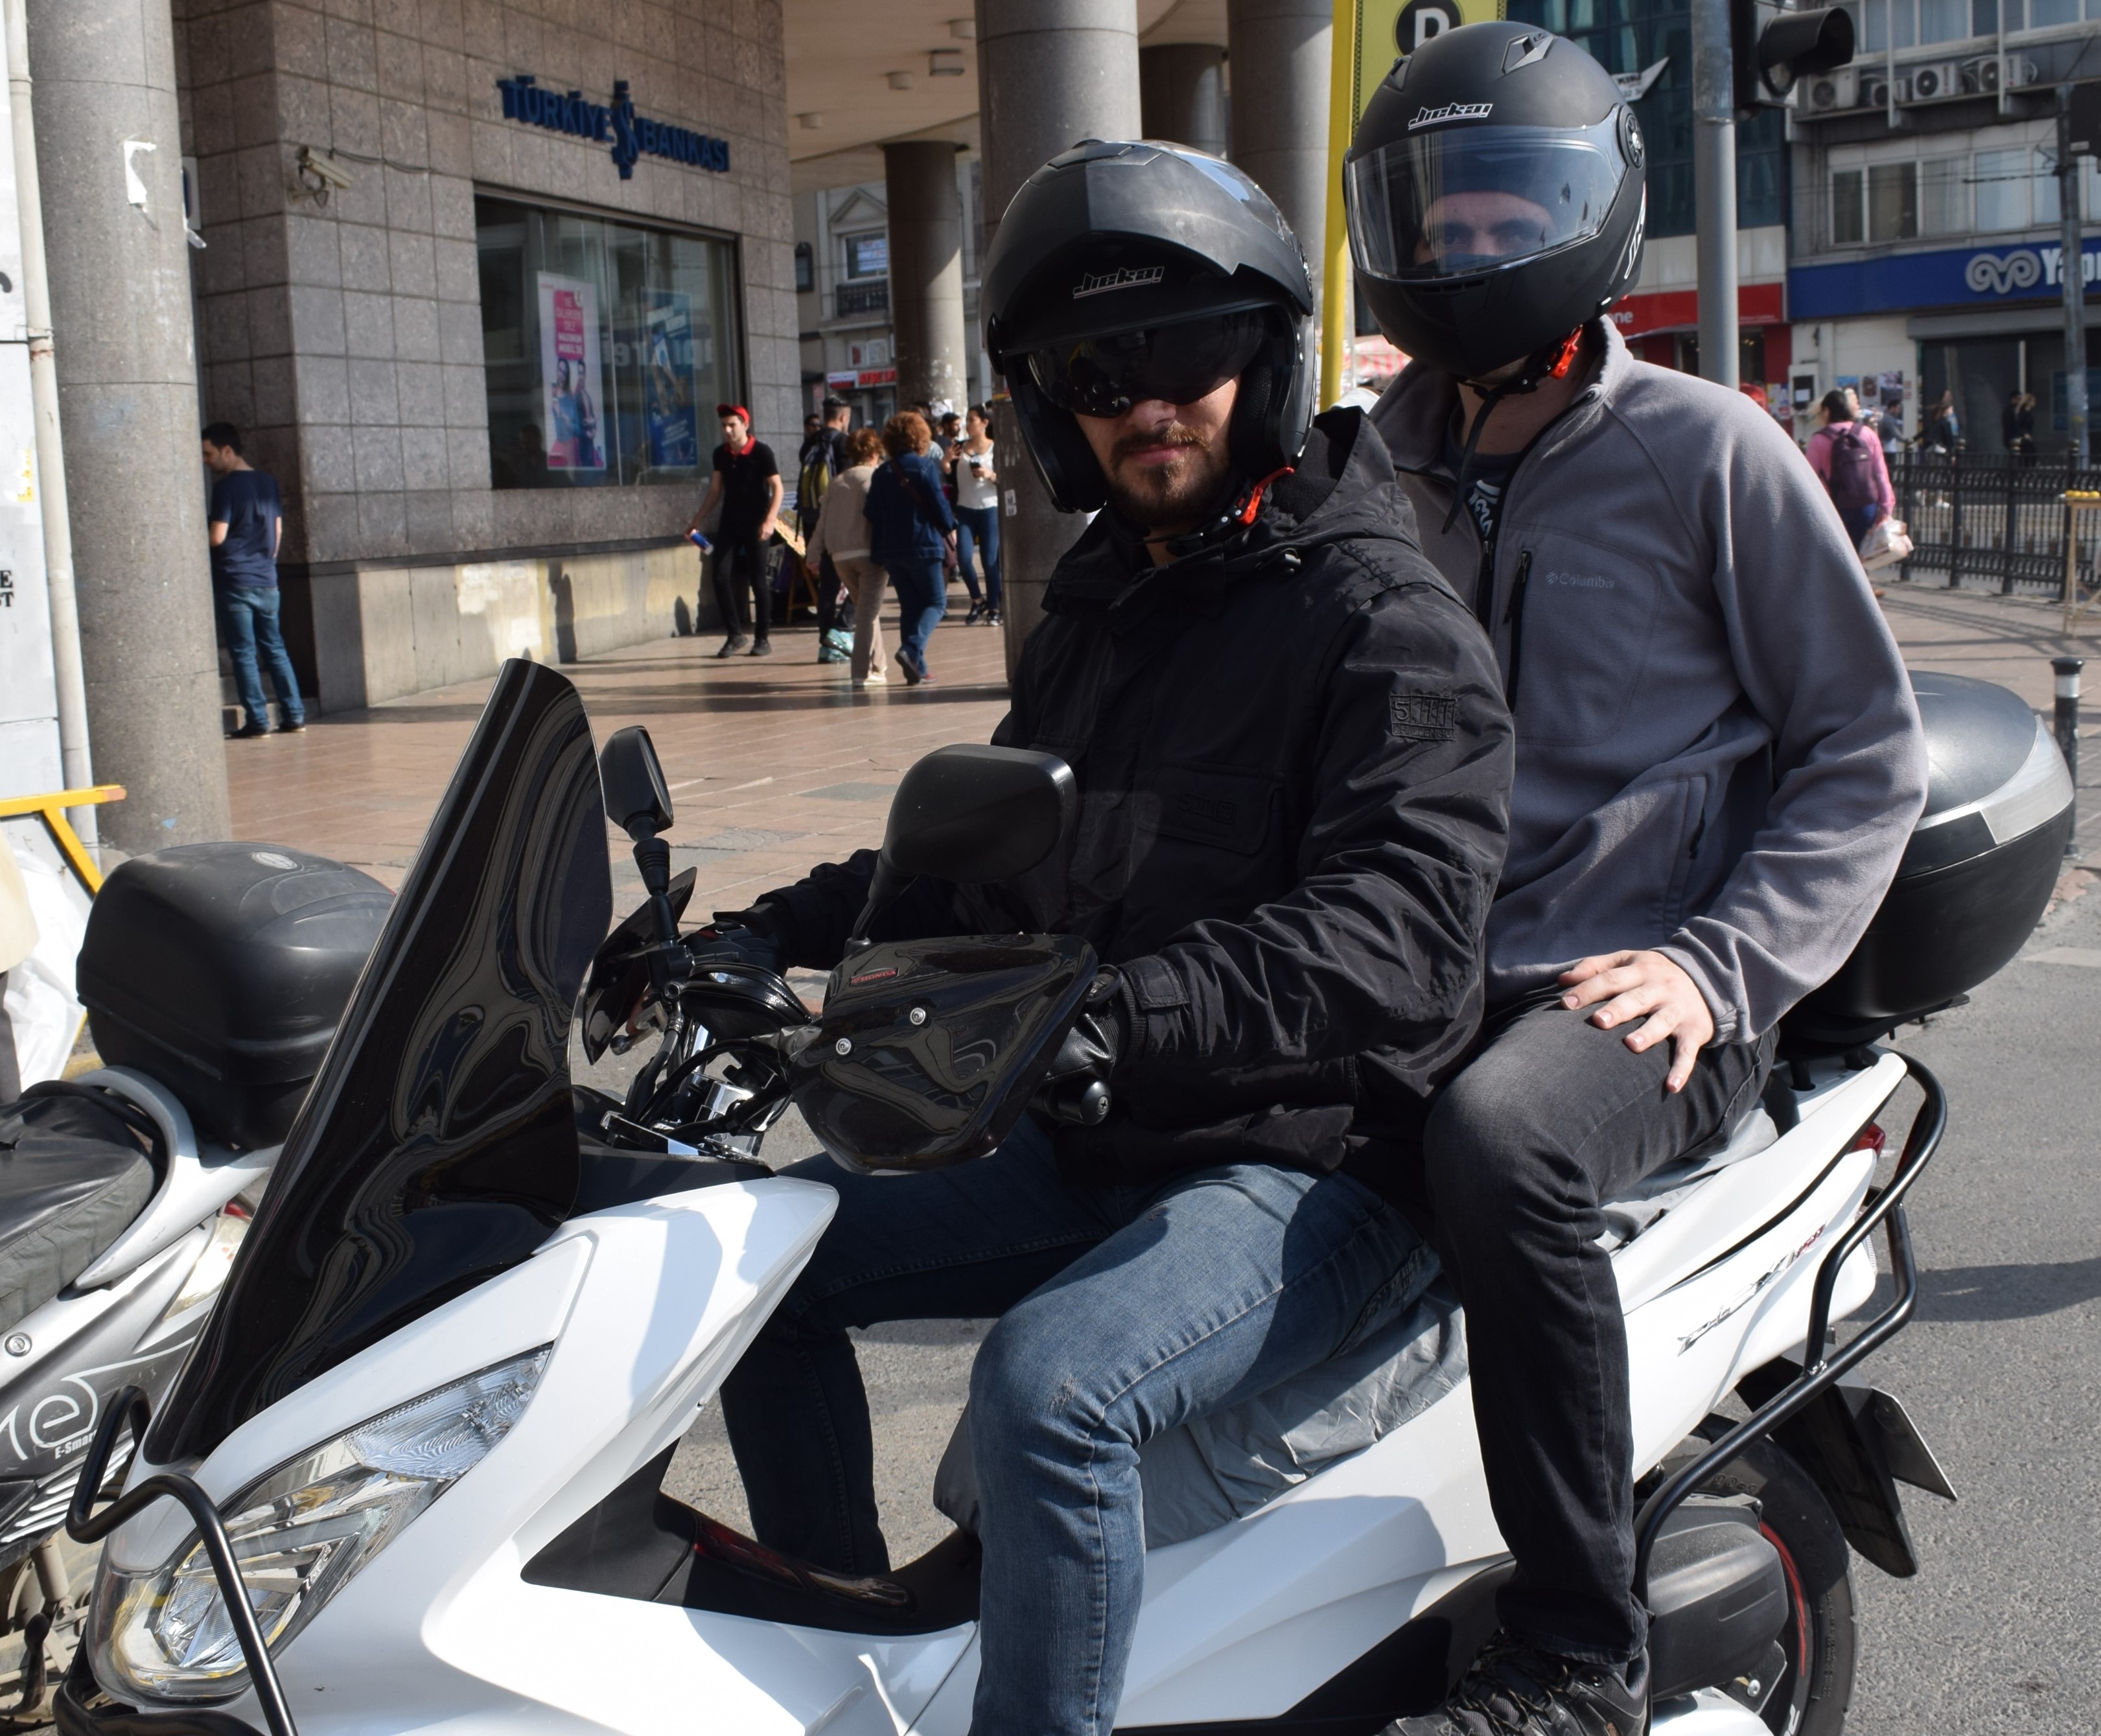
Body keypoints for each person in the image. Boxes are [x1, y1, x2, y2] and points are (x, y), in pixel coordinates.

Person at [710, 140, 1513, 1736]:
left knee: (1047, 1386)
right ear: (1051, 404)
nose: (1148, 398)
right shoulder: (1108, 595)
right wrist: (761, 930)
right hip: (1111, 1131)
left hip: (1317, 1161)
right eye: (1097, 368)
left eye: (1187, 351)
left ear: (1266, 357)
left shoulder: (1377, 611)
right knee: (744, 1267)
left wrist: (1115, 1014)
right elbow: (990, 847)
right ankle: (853, 1664)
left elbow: (1403, 928)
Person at [1346, 23, 1927, 1733]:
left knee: (1503, 1137)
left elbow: (1860, 747)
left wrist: (1722, 961)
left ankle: (1577, 1656)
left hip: (1646, 981)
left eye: (1504, 204)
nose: (1464, 244)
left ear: (1591, 210)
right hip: (1431, 961)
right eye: (1432, 213)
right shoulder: (1369, 463)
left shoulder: (1710, 450)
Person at [202, 422, 306, 738]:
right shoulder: (268, 482)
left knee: (244, 653)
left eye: (209, 454)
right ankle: (295, 715)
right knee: (275, 649)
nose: (206, 462)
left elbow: (217, 536)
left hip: (236, 580)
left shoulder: (226, 488)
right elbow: (277, 533)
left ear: (228, 451)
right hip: (266, 579)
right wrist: (264, 565)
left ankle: (259, 721)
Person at [861, 411, 955, 684]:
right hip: (923, 545)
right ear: (920, 436)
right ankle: (912, 650)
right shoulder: (924, 467)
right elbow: (941, 508)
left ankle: (918, 668)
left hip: (891, 550)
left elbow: (870, 512)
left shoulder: (881, 472)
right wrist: (950, 525)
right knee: (936, 602)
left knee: (910, 606)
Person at [690, 404, 782, 658]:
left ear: (745, 424)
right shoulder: (721, 454)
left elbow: (778, 488)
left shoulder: (762, 452)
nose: (728, 430)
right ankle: (735, 634)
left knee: (757, 580)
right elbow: (715, 490)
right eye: (724, 426)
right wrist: (698, 518)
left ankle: (762, 638)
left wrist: (770, 520)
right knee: (719, 576)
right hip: (730, 521)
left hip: (757, 523)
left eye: (732, 425)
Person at [804, 425, 889, 685]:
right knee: (866, 613)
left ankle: (880, 666)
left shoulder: (838, 481)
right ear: (875, 452)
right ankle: (862, 671)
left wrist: (813, 553)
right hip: (870, 553)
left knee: (867, 610)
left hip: (840, 555)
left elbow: (823, 521)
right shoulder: (876, 477)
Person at [1807, 388, 1895, 551]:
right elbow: (1881, 474)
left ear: (1827, 411)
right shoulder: (1867, 434)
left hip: (1835, 506)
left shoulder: (1819, 439)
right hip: (1867, 505)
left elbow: (1808, 480)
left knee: (1840, 555)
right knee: (1861, 554)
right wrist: (1886, 507)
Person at [947, 404, 1003, 624]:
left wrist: (990, 474)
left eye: (972, 419)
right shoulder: (959, 448)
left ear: (984, 423)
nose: (967, 424)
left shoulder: (995, 448)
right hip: (965, 510)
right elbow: (948, 477)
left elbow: (1006, 478)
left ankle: (994, 609)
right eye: (967, 419)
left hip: (990, 509)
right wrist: (945, 462)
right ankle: (977, 601)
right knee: (963, 558)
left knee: (990, 562)